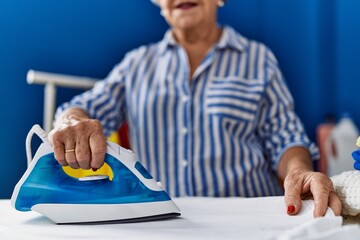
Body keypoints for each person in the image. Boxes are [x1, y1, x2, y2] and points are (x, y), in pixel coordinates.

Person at [48, 0, 342, 217]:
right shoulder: (135, 66)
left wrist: (299, 172)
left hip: (250, 219)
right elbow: (80, 109)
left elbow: (285, 138)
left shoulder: (257, 59)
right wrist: (70, 123)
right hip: (166, 224)